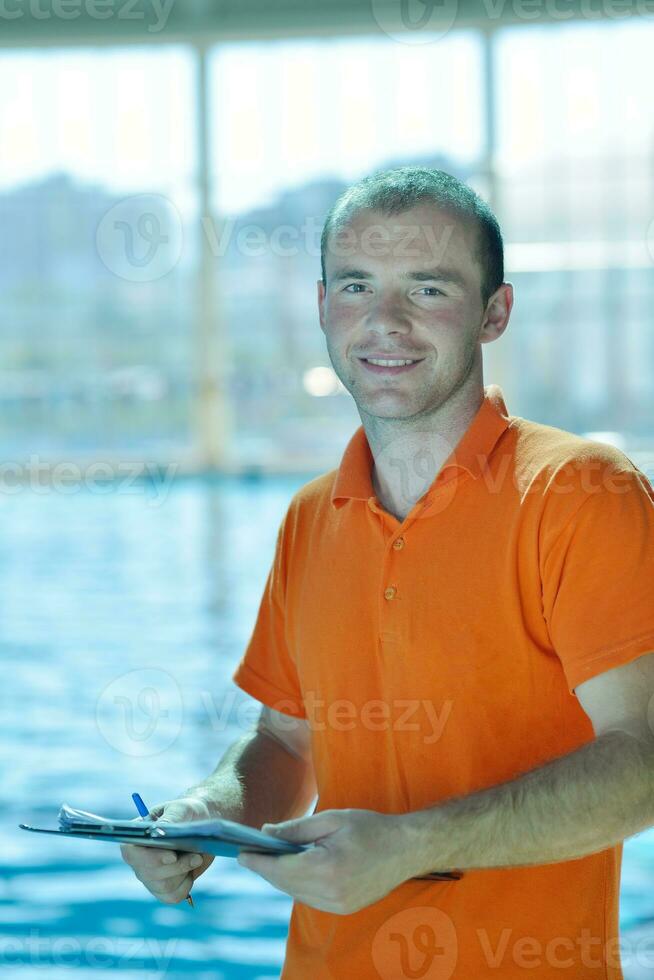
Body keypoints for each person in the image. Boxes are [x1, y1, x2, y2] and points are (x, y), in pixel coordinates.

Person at [121, 166, 654, 979]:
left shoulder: (581, 494)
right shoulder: (311, 516)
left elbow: (644, 760)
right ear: (323, 306)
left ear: (494, 312)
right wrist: (205, 815)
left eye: (429, 289)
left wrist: (411, 846)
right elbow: (285, 741)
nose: (386, 322)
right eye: (358, 286)